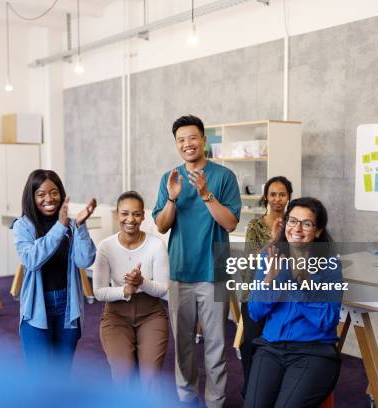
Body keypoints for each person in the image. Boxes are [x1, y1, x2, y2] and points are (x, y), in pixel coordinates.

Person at [153, 115, 241, 407]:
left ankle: (215, 402)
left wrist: (205, 193)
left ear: (204, 139)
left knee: (216, 347)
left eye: (192, 138)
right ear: (177, 144)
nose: (187, 144)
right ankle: (187, 399)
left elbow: (229, 224)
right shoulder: (170, 178)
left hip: (213, 272)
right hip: (180, 271)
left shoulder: (224, 176)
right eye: (181, 140)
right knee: (185, 346)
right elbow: (162, 226)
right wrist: (172, 199)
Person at [245, 197, 342, 408]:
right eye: (292, 221)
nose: (297, 228)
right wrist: (269, 281)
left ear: (317, 231)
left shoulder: (329, 265)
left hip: (313, 351)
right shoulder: (270, 258)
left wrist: (293, 284)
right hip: (271, 347)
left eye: (306, 223)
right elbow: (254, 312)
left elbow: (327, 320)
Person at [12, 169, 97, 374]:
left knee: (60, 376)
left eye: (54, 192)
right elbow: (31, 260)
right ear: (31, 197)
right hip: (36, 308)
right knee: (40, 376)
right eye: (41, 194)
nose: (49, 198)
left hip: (68, 307)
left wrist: (81, 226)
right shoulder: (22, 226)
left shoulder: (72, 224)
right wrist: (60, 226)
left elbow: (85, 260)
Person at [93, 191, 169, 391]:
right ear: (117, 214)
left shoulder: (156, 245)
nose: (130, 219)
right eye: (125, 213)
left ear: (143, 216)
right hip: (116, 315)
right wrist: (125, 290)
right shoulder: (105, 247)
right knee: (123, 376)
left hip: (151, 314)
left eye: (136, 214)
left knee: (149, 378)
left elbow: (162, 288)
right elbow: (99, 291)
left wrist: (141, 282)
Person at [241, 176, 293, 394]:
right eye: (273, 194)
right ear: (266, 197)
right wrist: (273, 241)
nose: (277, 199)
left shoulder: (294, 224)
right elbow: (250, 261)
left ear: (289, 197)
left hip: (285, 295)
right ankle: (251, 390)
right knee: (253, 344)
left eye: (282, 194)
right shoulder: (255, 225)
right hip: (256, 292)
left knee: (281, 346)